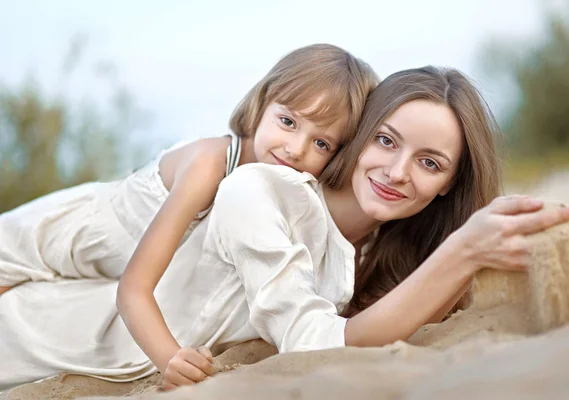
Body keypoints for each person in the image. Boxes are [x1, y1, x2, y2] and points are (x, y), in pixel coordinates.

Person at [0, 66, 569, 391]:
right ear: (361, 135)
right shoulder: (254, 189)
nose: (397, 172)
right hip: (36, 333)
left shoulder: (372, 248)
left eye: (430, 163)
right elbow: (315, 338)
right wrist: (461, 251)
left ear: (451, 182)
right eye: (385, 140)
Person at [0, 43, 378, 296]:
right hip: (72, 230)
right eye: (288, 121)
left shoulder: (279, 189)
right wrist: (171, 359)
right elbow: (135, 287)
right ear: (264, 101)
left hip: (100, 268)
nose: (296, 149)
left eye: (322, 143)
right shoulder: (210, 164)